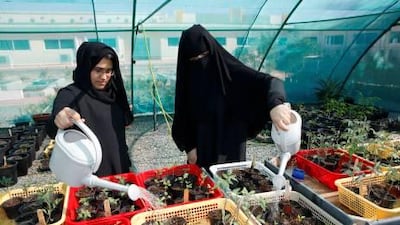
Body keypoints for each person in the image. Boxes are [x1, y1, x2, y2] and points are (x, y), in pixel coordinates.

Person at [172, 24, 292, 170]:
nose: (200, 62)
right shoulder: (188, 81)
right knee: (205, 188)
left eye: (203, 56)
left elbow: (271, 82)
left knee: (232, 182)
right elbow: (182, 114)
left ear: (212, 50)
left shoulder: (231, 72)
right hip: (202, 148)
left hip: (231, 145)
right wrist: (190, 147)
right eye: (193, 59)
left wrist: (276, 104)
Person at [46, 41, 134, 177]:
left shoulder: (114, 93)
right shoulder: (71, 94)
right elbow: (54, 124)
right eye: (98, 70)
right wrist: (59, 118)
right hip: (89, 174)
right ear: (86, 67)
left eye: (108, 71)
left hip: (120, 165)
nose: (104, 77)